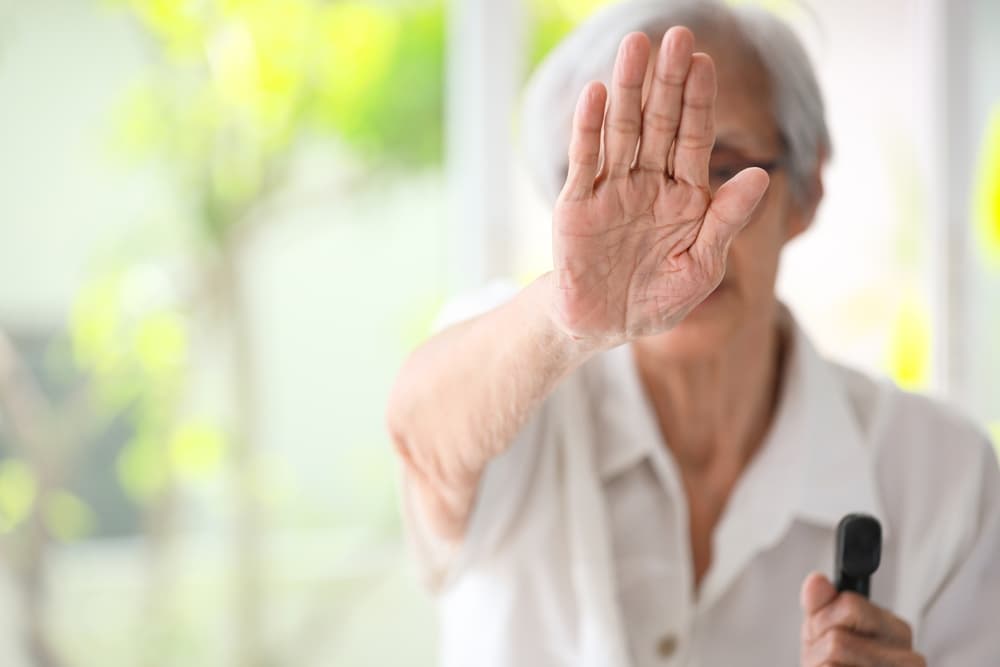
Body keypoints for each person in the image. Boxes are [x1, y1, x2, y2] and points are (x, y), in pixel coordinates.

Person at [385, 2, 1000, 665]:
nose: (677, 233)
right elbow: (420, 434)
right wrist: (568, 314)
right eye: (627, 179)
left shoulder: (943, 473)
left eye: (724, 168)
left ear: (809, 188)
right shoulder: (515, 374)